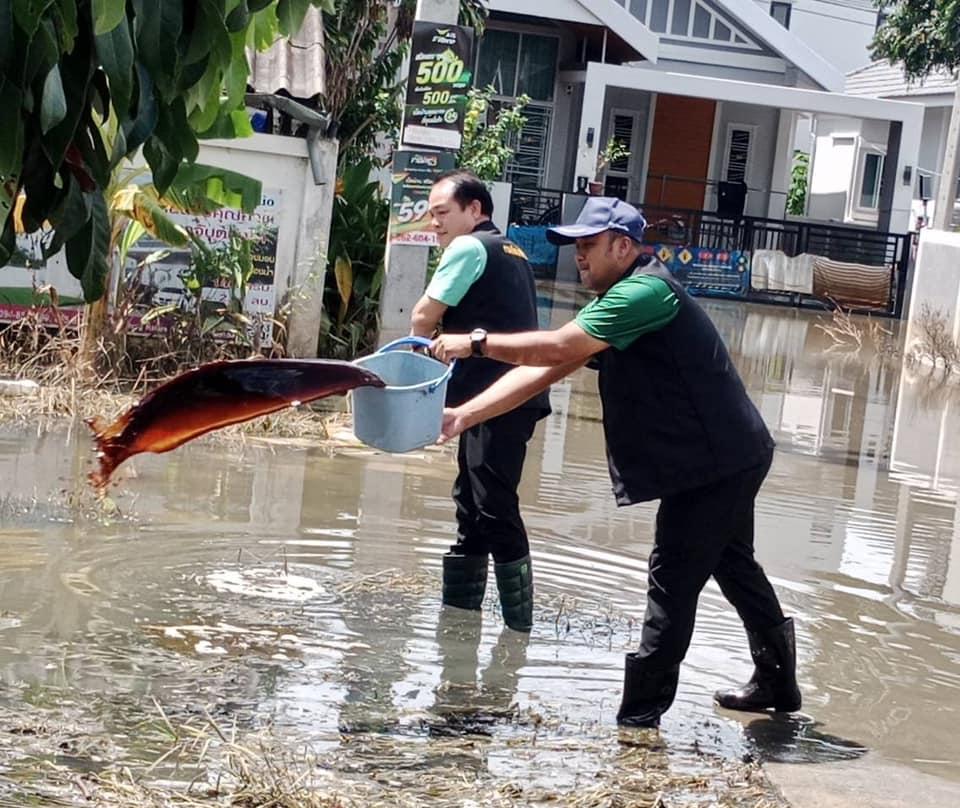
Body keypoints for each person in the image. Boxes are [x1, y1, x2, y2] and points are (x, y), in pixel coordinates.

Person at [429, 196, 801, 727]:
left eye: (588, 246)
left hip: (716, 463)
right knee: (732, 563)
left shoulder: (644, 292)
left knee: (671, 575)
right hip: (725, 454)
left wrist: (477, 342)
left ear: (623, 246)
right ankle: (777, 682)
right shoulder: (620, 299)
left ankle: (639, 719)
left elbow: (557, 346)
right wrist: (464, 415)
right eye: (575, 247)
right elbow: (548, 367)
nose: (578, 257)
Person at [409, 170, 550, 632]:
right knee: (471, 502)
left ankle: (518, 631)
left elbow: (424, 314)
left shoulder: (468, 247)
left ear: (476, 210)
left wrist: (412, 364)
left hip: (495, 397)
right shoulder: (513, 250)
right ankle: (460, 622)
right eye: (432, 216)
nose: (436, 224)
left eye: (444, 213)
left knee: (492, 505)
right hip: (511, 396)